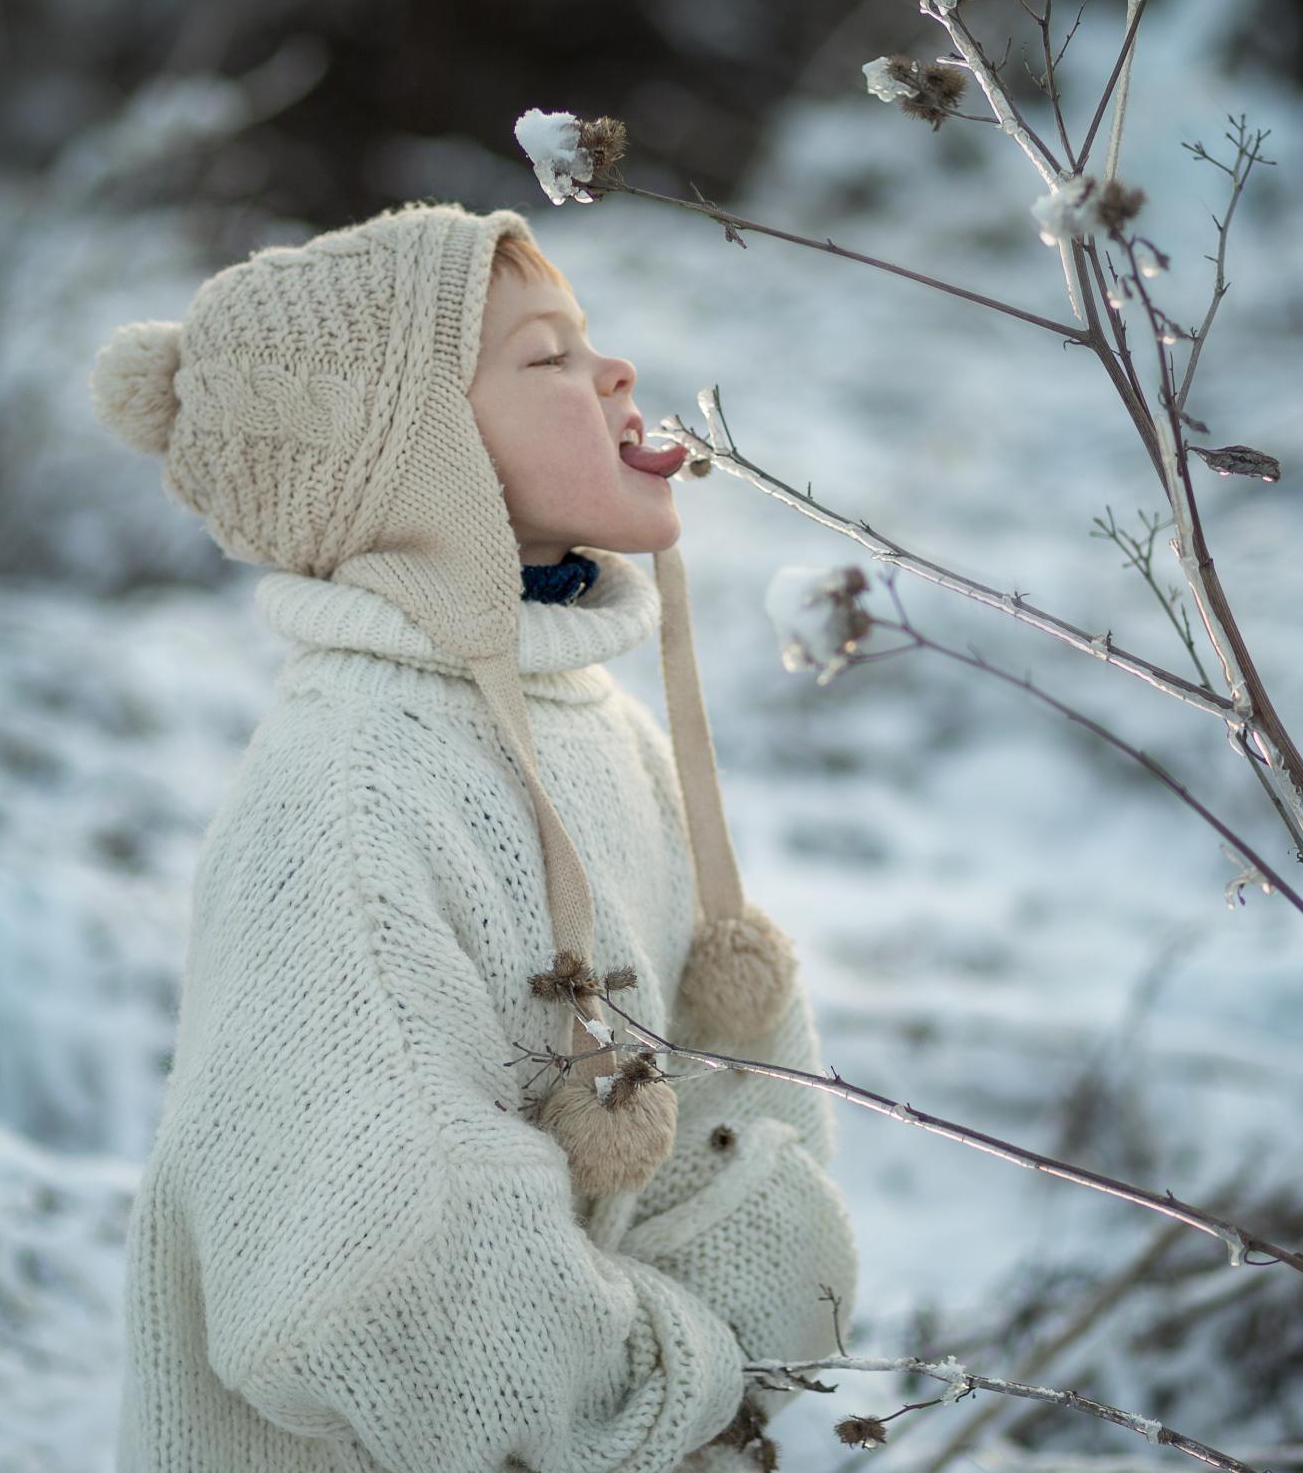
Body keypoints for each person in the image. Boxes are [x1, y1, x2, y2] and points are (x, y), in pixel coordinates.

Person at [90, 199, 858, 1473]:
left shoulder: (593, 721)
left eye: (590, 339)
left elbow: (735, 1086)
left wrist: (751, 1335)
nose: (613, 369)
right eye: (547, 357)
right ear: (415, 455)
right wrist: (683, 1389)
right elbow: (383, 1265)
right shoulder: (350, 796)